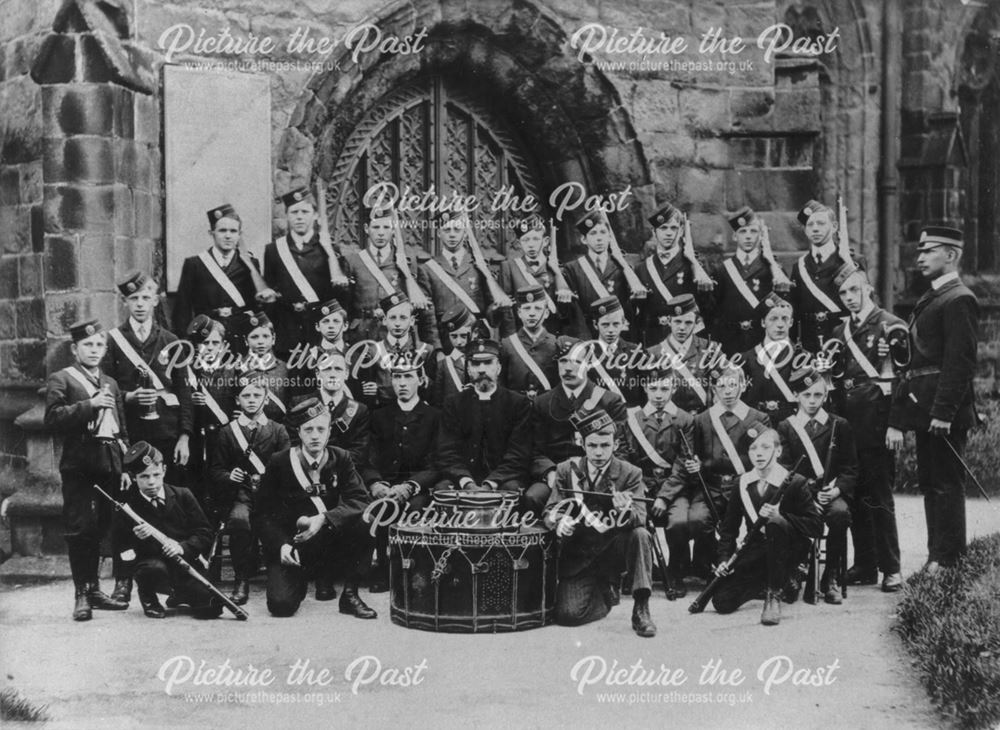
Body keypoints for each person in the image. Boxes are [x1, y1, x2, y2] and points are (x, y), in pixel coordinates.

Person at [887, 226, 979, 572]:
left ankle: (949, 559)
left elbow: (960, 363)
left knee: (945, 485)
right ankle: (936, 555)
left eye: (929, 251)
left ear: (951, 255)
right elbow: (924, 352)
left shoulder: (959, 298)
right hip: (927, 410)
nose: (920, 257)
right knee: (932, 483)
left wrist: (943, 413)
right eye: (920, 251)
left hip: (943, 413)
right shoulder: (936, 296)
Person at [103, 271, 193, 604]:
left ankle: (172, 574)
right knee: (125, 507)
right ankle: (124, 579)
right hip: (132, 435)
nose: (140, 305)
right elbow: (108, 390)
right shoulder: (113, 340)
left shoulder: (171, 339)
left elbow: (184, 390)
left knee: (167, 503)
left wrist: (185, 435)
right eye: (134, 299)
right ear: (125, 302)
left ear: (156, 300)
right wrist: (128, 398)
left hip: (168, 434)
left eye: (146, 298)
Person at [254, 398, 376, 618]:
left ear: (329, 432)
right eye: (308, 429)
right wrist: (280, 545)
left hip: (329, 540)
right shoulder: (279, 461)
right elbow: (261, 514)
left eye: (321, 429)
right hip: (294, 545)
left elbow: (360, 500)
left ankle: (350, 594)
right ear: (299, 433)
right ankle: (301, 579)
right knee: (281, 606)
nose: (315, 435)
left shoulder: (341, 457)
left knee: (367, 520)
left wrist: (324, 518)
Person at [828, 263, 907, 591]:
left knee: (879, 498)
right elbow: (833, 383)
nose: (849, 297)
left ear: (868, 288)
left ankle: (891, 568)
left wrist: (896, 425)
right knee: (856, 497)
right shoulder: (838, 334)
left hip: (877, 426)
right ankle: (864, 564)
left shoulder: (891, 326)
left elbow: (903, 379)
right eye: (843, 292)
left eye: (854, 290)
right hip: (849, 427)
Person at [44, 319, 129, 620]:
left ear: (105, 349)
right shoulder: (62, 379)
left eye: (98, 345)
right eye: (87, 345)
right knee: (80, 528)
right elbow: (52, 419)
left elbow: (121, 429)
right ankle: (81, 593)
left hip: (109, 464)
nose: (94, 350)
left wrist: (126, 464)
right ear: (75, 348)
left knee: (103, 526)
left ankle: (94, 589)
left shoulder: (111, 383)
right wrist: (90, 405)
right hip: (79, 465)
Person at [544, 409, 657, 637]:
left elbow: (640, 517)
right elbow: (549, 511)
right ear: (582, 444)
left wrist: (623, 510)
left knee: (641, 534)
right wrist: (559, 522)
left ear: (615, 445)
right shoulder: (567, 470)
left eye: (604, 445)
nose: (598, 452)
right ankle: (605, 594)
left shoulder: (630, 473)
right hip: (581, 553)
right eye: (592, 445)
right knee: (568, 616)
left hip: (614, 551)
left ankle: (641, 608)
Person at [658, 366, 770, 581]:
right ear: (714, 389)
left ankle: (751, 569)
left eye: (733, 385)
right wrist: (695, 466)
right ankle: (709, 564)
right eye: (721, 386)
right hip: (711, 486)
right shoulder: (702, 419)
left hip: (746, 486)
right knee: (698, 520)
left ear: (743, 386)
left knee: (758, 526)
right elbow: (693, 454)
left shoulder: (758, 417)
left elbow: (765, 455)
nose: (727, 391)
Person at [711, 426, 822, 625]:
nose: (759, 453)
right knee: (722, 601)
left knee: (774, 524)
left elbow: (816, 527)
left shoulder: (795, 482)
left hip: (789, 548)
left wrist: (781, 517)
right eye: (753, 449)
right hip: (759, 550)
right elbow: (729, 528)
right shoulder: (742, 483)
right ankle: (784, 579)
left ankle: (773, 594)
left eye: (765, 447)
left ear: (778, 451)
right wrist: (724, 559)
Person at [777, 367, 858, 604]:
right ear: (795, 396)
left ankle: (830, 576)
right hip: (800, 495)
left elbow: (851, 468)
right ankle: (794, 572)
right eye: (806, 395)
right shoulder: (787, 426)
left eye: (817, 395)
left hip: (830, 493)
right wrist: (806, 496)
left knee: (840, 514)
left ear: (825, 396)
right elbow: (784, 468)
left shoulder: (838, 425)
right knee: (787, 516)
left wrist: (835, 490)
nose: (812, 401)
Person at [207, 373, 290, 605]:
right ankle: (241, 580)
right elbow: (215, 470)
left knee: (276, 524)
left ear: (266, 399)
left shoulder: (278, 430)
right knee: (239, 520)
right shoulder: (227, 432)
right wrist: (227, 475)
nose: (251, 400)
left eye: (257, 395)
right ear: (237, 400)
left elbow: (288, 468)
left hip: (270, 498)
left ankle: (279, 576)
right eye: (246, 395)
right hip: (241, 496)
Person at [114, 441, 221, 619]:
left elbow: (205, 533)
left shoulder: (183, 495)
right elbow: (122, 548)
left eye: (156, 474)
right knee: (153, 569)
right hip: (153, 566)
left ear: (164, 470)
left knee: (210, 608)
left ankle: (180, 594)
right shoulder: (127, 506)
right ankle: (149, 597)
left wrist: (182, 547)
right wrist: (138, 540)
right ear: (134, 477)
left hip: (185, 562)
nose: (152, 482)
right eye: (144, 477)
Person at [362, 361, 441, 593]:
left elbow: (437, 463)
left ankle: (414, 569)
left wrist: (410, 485)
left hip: (418, 488)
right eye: (397, 378)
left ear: (421, 380)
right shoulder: (380, 416)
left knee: (416, 509)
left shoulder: (434, 416)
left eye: (408, 377)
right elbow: (369, 458)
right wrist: (376, 482)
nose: (402, 383)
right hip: (386, 485)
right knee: (377, 508)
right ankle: (384, 569)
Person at [529, 336, 628, 511]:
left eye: (576, 362)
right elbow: (536, 450)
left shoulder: (610, 401)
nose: (568, 368)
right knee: (533, 497)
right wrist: (550, 473)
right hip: (557, 474)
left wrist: (599, 477)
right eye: (563, 361)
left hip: (598, 473)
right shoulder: (542, 402)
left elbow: (621, 449)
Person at [436, 339, 535, 509]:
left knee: (512, 491)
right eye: (475, 364)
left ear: (499, 368)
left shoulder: (518, 404)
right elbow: (447, 451)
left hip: (504, 479)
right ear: (468, 369)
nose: (482, 369)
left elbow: (519, 453)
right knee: (442, 491)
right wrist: (467, 482)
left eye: (488, 363)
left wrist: (491, 483)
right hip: (464, 479)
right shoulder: (454, 404)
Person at [624, 368, 694, 598]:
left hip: (674, 487)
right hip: (641, 485)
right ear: (645, 388)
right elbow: (624, 457)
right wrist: (637, 484)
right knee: (634, 522)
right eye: (653, 389)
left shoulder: (684, 419)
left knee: (679, 522)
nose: (659, 395)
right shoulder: (632, 419)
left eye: (665, 389)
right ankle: (640, 573)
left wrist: (664, 496)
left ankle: (676, 573)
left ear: (673, 388)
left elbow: (684, 461)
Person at [172, 203, 274, 349]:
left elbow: (257, 307)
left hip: (241, 335)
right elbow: (183, 309)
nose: (228, 236)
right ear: (211, 233)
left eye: (233, 231)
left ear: (240, 234)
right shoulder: (195, 264)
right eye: (222, 230)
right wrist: (185, 343)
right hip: (206, 336)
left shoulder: (250, 264)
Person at [339, 205, 439, 348]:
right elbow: (344, 307)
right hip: (361, 338)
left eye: (386, 227)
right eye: (376, 227)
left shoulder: (406, 262)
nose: (381, 233)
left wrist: (434, 346)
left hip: (397, 337)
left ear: (393, 230)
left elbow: (425, 310)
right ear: (367, 229)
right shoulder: (352, 262)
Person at [262, 188, 346, 358]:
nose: (299, 217)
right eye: (294, 212)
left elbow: (340, 294)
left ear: (315, 215)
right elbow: (269, 293)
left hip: (320, 331)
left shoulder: (329, 249)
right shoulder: (274, 250)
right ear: (287, 215)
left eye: (305, 211)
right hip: (287, 331)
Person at [710, 206, 790, 355]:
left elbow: (786, 306)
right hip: (730, 344)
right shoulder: (722, 270)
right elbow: (713, 313)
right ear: (734, 236)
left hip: (763, 343)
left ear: (761, 235)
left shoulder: (773, 270)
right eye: (742, 231)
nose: (748, 236)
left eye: (753, 231)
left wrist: (771, 261)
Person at [417, 210, 504, 343]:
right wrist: (437, 349)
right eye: (447, 230)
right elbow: (428, 318)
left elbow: (491, 308)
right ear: (439, 233)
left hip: (476, 338)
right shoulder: (427, 269)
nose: (452, 235)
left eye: (457, 230)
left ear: (465, 233)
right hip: (446, 341)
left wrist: (496, 309)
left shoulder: (479, 265)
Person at [634, 202, 714, 346]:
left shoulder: (696, 264)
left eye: (673, 228)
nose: (669, 233)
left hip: (689, 339)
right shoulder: (642, 268)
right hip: (655, 341)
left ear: (682, 230)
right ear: (654, 232)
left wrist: (705, 291)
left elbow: (711, 309)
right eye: (663, 228)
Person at [353, 292, 436, 409]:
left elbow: (432, 391)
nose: (397, 323)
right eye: (393, 318)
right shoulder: (373, 351)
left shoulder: (425, 350)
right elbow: (367, 391)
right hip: (384, 412)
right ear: (385, 320)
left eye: (403, 318)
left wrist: (425, 382)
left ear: (412, 321)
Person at [789, 200, 852, 354]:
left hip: (844, 343)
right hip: (809, 348)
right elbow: (793, 312)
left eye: (821, 223)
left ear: (835, 227)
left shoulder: (851, 262)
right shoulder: (799, 267)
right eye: (810, 225)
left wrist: (848, 261)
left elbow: (866, 302)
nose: (815, 229)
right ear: (805, 230)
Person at [497, 214, 574, 337]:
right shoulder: (509, 267)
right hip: (521, 337)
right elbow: (507, 312)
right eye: (525, 240)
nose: (531, 245)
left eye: (535, 239)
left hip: (551, 337)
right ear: (519, 243)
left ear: (545, 241)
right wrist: (511, 343)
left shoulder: (557, 269)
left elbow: (566, 316)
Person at [562, 210, 634, 339]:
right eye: (593, 233)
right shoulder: (572, 269)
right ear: (584, 239)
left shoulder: (623, 266)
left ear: (610, 236)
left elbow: (632, 305)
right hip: (588, 336)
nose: (599, 238)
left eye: (603, 232)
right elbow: (574, 311)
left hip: (620, 335)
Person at [292, 351, 370, 466]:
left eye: (338, 369)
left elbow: (358, 453)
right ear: (318, 374)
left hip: (343, 474)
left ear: (347, 374)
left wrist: (328, 467)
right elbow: (292, 443)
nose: (332, 374)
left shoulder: (359, 410)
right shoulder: (300, 404)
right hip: (305, 471)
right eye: (327, 369)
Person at [645, 294, 716, 414]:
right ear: (669, 321)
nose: (682, 327)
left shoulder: (710, 348)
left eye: (688, 322)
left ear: (696, 322)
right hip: (671, 421)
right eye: (677, 321)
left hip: (703, 419)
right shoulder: (653, 354)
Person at [740, 293, 800, 423]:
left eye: (784, 318)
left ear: (791, 322)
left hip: (791, 424)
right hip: (756, 424)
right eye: (773, 319)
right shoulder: (746, 358)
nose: (780, 324)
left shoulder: (802, 357)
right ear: (763, 322)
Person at [499, 284, 559, 399]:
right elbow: (502, 384)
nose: (532, 313)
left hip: (547, 407)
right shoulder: (507, 344)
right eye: (527, 308)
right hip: (516, 409)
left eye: (537, 308)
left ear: (546, 313)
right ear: (519, 313)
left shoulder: (555, 343)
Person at [233, 311, 290, 424]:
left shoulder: (285, 368)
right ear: (245, 340)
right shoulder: (238, 368)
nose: (260, 341)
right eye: (254, 337)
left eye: (265, 336)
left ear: (273, 338)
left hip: (280, 429)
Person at [586, 295, 642, 405]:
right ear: (595, 325)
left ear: (623, 323)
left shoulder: (634, 351)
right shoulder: (586, 353)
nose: (611, 330)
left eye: (615, 324)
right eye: (605, 325)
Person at [430, 306, 474, 406]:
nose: (458, 342)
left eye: (463, 336)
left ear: (473, 333)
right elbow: (438, 399)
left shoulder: (480, 360)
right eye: (453, 336)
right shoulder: (444, 364)